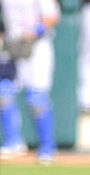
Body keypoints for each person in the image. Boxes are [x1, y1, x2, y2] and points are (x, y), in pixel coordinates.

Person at [0, 0, 60, 164]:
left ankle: (47, 146)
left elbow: (51, 17)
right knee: (3, 91)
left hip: (37, 47)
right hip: (12, 46)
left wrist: (32, 32)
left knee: (36, 98)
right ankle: (13, 141)